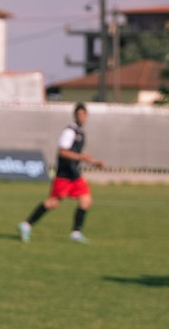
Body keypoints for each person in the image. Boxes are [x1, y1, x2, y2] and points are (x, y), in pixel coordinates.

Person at [18, 102, 105, 243]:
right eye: (78, 114)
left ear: (87, 116)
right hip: (64, 174)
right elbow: (63, 152)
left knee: (86, 200)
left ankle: (76, 232)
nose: (81, 117)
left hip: (74, 174)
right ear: (75, 116)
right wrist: (81, 157)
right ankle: (26, 225)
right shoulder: (69, 132)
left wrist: (92, 161)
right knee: (53, 203)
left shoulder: (81, 133)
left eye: (83, 114)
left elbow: (76, 153)